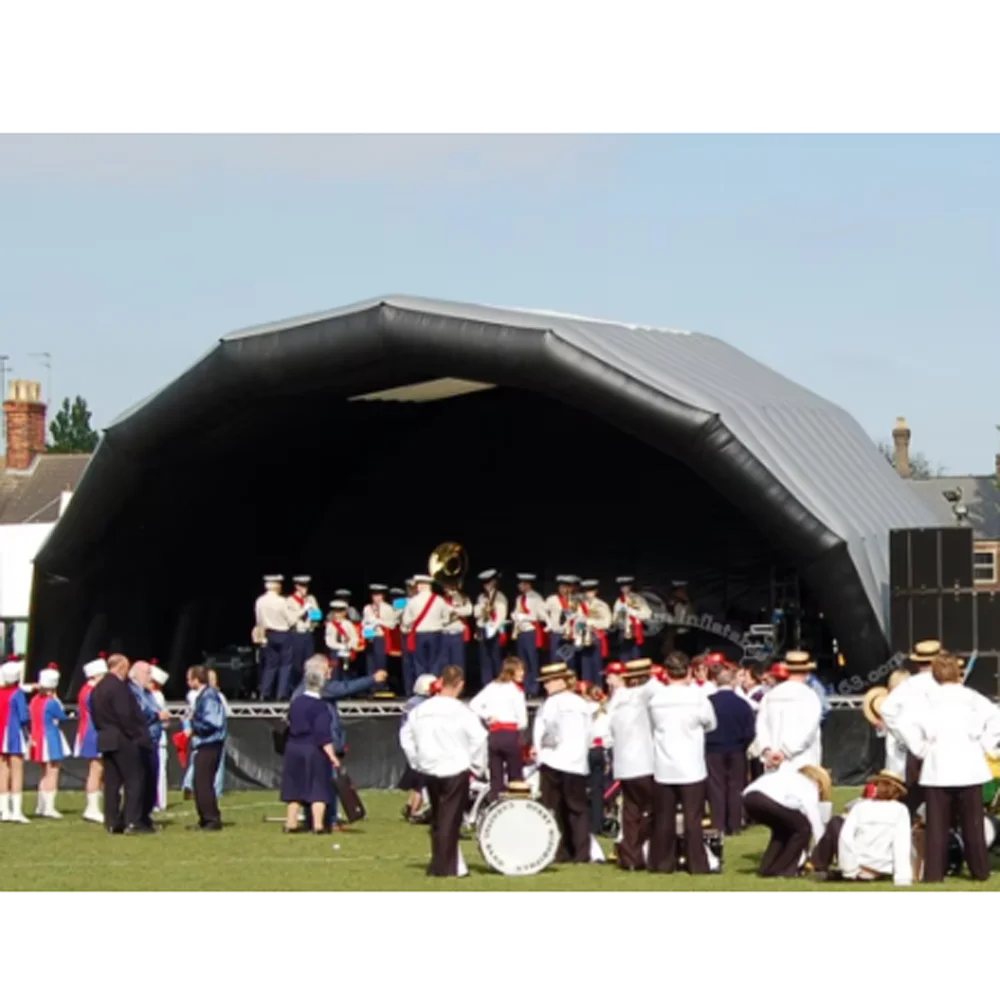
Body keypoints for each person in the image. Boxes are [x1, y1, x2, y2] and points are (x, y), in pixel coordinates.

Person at [895, 652, 1000, 882]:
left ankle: (934, 873)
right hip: (969, 767)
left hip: (938, 766)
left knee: (936, 826)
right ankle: (980, 870)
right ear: (958, 673)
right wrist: (985, 745)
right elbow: (996, 718)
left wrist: (920, 748)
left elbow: (903, 723)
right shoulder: (972, 697)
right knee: (973, 824)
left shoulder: (927, 700)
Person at [400, 665, 487, 877]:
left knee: (439, 818)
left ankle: (444, 863)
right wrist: (477, 765)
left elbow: (406, 737)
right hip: (455, 768)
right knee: (450, 820)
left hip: (430, 767)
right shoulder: (462, 711)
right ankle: (446, 867)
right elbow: (480, 738)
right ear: (460, 684)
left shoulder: (421, 710)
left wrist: (416, 761)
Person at [290, 653, 387, 830]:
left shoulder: (304, 691)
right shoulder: (316, 689)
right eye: (328, 668)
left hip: (308, 744)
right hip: (317, 744)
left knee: (316, 783)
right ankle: (327, 821)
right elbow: (345, 688)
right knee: (326, 782)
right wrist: (372, 679)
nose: (331, 671)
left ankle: (315, 819)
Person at [646, 651, 717, 874]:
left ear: (665, 674)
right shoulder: (697, 698)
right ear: (688, 671)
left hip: (664, 765)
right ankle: (697, 864)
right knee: (693, 819)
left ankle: (663, 863)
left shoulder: (656, 700)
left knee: (664, 818)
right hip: (691, 766)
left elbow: (651, 728)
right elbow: (711, 724)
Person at [532, 662, 593, 863]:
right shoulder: (581, 703)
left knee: (553, 809)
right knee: (578, 809)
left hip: (554, 760)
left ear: (561, 681)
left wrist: (543, 746)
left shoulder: (551, 703)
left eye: (549, 681)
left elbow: (549, 731)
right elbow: (589, 733)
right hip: (577, 763)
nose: (546, 686)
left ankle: (559, 851)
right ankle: (581, 852)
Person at [809, 770, 913, 886]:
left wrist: (849, 870)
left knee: (836, 823)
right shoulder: (900, 810)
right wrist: (902, 878)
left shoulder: (860, 807)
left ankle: (819, 865)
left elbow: (845, 839)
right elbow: (901, 845)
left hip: (857, 864)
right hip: (880, 868)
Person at [878, 638, 943, 816]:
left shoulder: (907, 686)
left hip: (912, 751)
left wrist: (903, 734)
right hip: (937, 748)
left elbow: (886, 710)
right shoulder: (943, 685)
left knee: (908, 796)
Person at [91, 654, 153, 834]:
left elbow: (94, 714)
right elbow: (125, 714)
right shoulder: (118, 688)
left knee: (112, 781)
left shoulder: (98, 688)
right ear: (121, 667)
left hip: (105, 736)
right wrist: (137, 735)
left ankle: (112, 821)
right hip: (123, 738)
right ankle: (132, 821)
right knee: (134, 779)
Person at [280, 658, 340, 833]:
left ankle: (290, 823)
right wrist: (332, 756)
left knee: (294, 786)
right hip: (313, 749)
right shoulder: (320, 706)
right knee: (318, 787)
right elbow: (323, 734)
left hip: (293, 747)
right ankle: (318, 825)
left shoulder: (296, 702)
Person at [607, 659, 656, 870]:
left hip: (624, 763)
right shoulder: (648, 693)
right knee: (656, 809)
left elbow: (608, 728)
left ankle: (630, 857)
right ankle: (644, 850)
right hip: (646, 761)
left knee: (630, 812)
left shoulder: (618, 697)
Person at [742, 762, 832, 877]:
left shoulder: (790, 777)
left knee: (783, 830)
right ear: (818, 782)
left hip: (748, 799)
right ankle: (783, 869)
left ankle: (766, 869)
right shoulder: (809, 785)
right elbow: (814, 818)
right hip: (766, 799)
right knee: (803, 828)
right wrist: (822, 846)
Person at [469, 656, 528, 801]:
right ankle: (516, 806)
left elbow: (473, 704)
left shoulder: (492, 686)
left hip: (494, 736)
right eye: (520, 670)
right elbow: (523, 721)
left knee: (496, 777)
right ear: (512, 671)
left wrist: (488, 716)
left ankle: (493, 805)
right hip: (510, 735)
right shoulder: (516, 691)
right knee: (516, 776)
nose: (523, 674)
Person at [706, 666, 757, 835]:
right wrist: (742, 745)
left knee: (716, 787)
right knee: (736, 787)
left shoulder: (708, 702)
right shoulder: (742, 704)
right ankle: (734, 824)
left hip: (713, 749)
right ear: (733, 682)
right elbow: (750, 730)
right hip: (737, 750)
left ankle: (718, 825)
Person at [754, 650, 823, 772]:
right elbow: (808, 732)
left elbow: (761, 727)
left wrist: (768, 751)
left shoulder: (769, 695)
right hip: (802, 762)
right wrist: (785, 752)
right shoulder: (810, 696)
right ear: (807, 672)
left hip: (773, 762)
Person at [129, 661, 169, 829]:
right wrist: (157, 715)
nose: (149, 678)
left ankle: (146, 816)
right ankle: (137, 818)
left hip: (153, 739)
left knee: (151, 780)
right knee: (141, 780)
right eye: (147, 673)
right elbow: (139, 713)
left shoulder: (149, 693)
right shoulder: (132, 691)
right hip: (141, 740)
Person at [186, 665, 227, 832]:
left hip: (210, 743)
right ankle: (205, 817)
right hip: (206, 742)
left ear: (197, 679)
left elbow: (213, 722)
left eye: (189, 678)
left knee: (203, 782)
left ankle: (211, 819)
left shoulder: (209, 697)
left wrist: (194, 724)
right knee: (199, 782)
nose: (187, 682)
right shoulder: (204, 696)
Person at [28, 665, 70, 819]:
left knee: (44, 773)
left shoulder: (34, 701)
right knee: (53, 771)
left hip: (37, 737)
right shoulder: (52, 702)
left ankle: (41, 806)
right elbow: (63, 715)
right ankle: (49, 807)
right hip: (50, 737)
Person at [402, 574, 450, 694]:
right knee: (435, 663)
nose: (417, 587)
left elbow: (406, 620)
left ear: (423, 586)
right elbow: (447, 617)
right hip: (436, 634)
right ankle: (435, 689)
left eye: (418, 584)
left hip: (419, 635)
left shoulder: (412, 601)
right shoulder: (439, 600)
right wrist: (439, 623)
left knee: (420, 664)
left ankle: (422, 691)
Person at [399, 673, 436, 821]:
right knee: (423, 780)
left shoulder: (411, 702)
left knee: (418, 780)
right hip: (421, 745)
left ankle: (410, 805)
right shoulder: (423, 705)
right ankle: (414, 810)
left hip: (412, 744)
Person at [75, 656, 108, 823]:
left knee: (98, 770)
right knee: (96, 770)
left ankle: (95, 806)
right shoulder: (90, 692)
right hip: (92, 732)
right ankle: (92, 808)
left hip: (90, 731)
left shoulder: (85, 690)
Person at [255, 574, 295, 701]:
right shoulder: (281, 601)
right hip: (283, 633)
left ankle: (265, 692)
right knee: (285, 664)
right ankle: (281, 693)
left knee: (270, 664)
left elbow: (259, 620)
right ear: (277, 586)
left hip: (268, 633)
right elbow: (291, 620)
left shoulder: (260, 601)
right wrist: (301, 612)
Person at [0, 659, 30, 823]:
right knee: (17, 771)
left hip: (0, 733)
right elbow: (24, 717)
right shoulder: (17, 694)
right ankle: (16, 810)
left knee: (3, 772)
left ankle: (4, 809)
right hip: (13, 733)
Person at [510, 574, 546, 697]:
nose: (519, 586)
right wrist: (515, 616)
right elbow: (517, 613)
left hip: (531, 631)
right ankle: (524, 687)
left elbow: (542, 616)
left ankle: (534, 688)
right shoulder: (519, 598)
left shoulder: (536, 598)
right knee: (522, 662)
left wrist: (526, 617)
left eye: (521, 584)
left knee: (532, 661)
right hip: (521, 632)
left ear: (528, 584)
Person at [584, 684, 612, 836]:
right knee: (597, 789)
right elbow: (609, 736)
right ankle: (597, 824)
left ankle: (585, 823)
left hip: (587, 749)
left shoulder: (583, 709)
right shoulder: (605, 711)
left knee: (582, 788)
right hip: (601, 750)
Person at [474, 569, 509, 689]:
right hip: (484, 627)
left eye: (488, 583)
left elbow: (502, 614)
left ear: (494, 582)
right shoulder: (481, 597)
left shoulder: (499, 596)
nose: (486, 585)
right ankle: (486, 684)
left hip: (495, 629)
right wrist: (482, 610)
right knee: (485, 658)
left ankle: (499, 683)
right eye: (484, 583)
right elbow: (476, 614)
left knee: (496, 657)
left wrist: (494, 627)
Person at [575, 580, 612, 686]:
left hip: (597, 636)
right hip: (584, 637)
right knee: (585, 665)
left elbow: (607, 623)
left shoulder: (602, 605)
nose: (588, 594)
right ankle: (586, 689)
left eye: (591, 591)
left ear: (596, 592)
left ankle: (598, 689)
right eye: (586, 592)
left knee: (597, 665)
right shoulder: (581, 606)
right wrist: (579, 631)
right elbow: (578, 621)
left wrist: (592, 622)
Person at [287, 575, 320, 690]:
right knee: (296, 663)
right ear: (296, 586)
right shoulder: (290, 600)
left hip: (308, 632)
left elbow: (317, 615)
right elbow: (291, 620)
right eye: (302, 586)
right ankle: (294, 687)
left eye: (306, 586)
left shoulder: (311, 599)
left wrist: (314, 615)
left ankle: (307, 687)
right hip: (297, 634)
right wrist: (303, 609)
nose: (304, 588)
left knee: (309, 663)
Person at [362, 584, 400, 679]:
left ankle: (381, 684)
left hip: (381, 637)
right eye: (374, 595)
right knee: (370, 661)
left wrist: (379, 622)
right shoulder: (367, 608)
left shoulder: (387, 608)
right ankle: (370, 683)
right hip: (370, 637)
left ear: (383, 596)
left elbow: (392, 624)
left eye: (379, 595)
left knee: (380, 662)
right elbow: (364, 622)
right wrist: (366, 625)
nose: (377, 598)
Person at [612, 576, 652, 663]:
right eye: (622, 587)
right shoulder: (619, 601)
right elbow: (614, 618)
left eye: (626, 586)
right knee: (624, 658)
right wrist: (616, 620)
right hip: (623, 631)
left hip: (635, 631)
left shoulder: (638, 599)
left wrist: (633, 612)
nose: (624, 589)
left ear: (630, 587)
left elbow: (647, 614)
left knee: (636, 657)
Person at [545, 575, 580, 668]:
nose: (563, 589)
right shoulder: (552, 599)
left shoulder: (575, 600)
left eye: (566, 587)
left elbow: (578, 617)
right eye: (561, 587)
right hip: (556, 634)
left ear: (570, 588)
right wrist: (549, 624)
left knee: (569, 662)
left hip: (569, 635)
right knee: (555, 661)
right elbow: (543, 612)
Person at [149, 664, 170, 813]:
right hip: (156, 736)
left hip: (158, 738)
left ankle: (160, 801)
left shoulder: (156, 696)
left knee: (159, 771)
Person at [440, 582, 473, 673]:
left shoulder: (463, 598)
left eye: (449, 585)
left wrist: (454, 610)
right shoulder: (440, 600)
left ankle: (459, 686)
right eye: (445, 586)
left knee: (458, 664)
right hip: (444, 634)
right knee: (445, 664)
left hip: (457, 634)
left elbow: (469, 610)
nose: (447, 588)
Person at [325, 600, 360, 673]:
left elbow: (355, 638)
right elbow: (328, 640)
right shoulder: (330, 625)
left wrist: (348, 645)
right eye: (336, 612)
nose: (338, 614)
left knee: (345, 671)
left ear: (344, 613)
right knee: (334, 671)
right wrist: (339, 646)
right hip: (334, 652)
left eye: (340, 612)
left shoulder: (348, 624)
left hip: (346, 652)